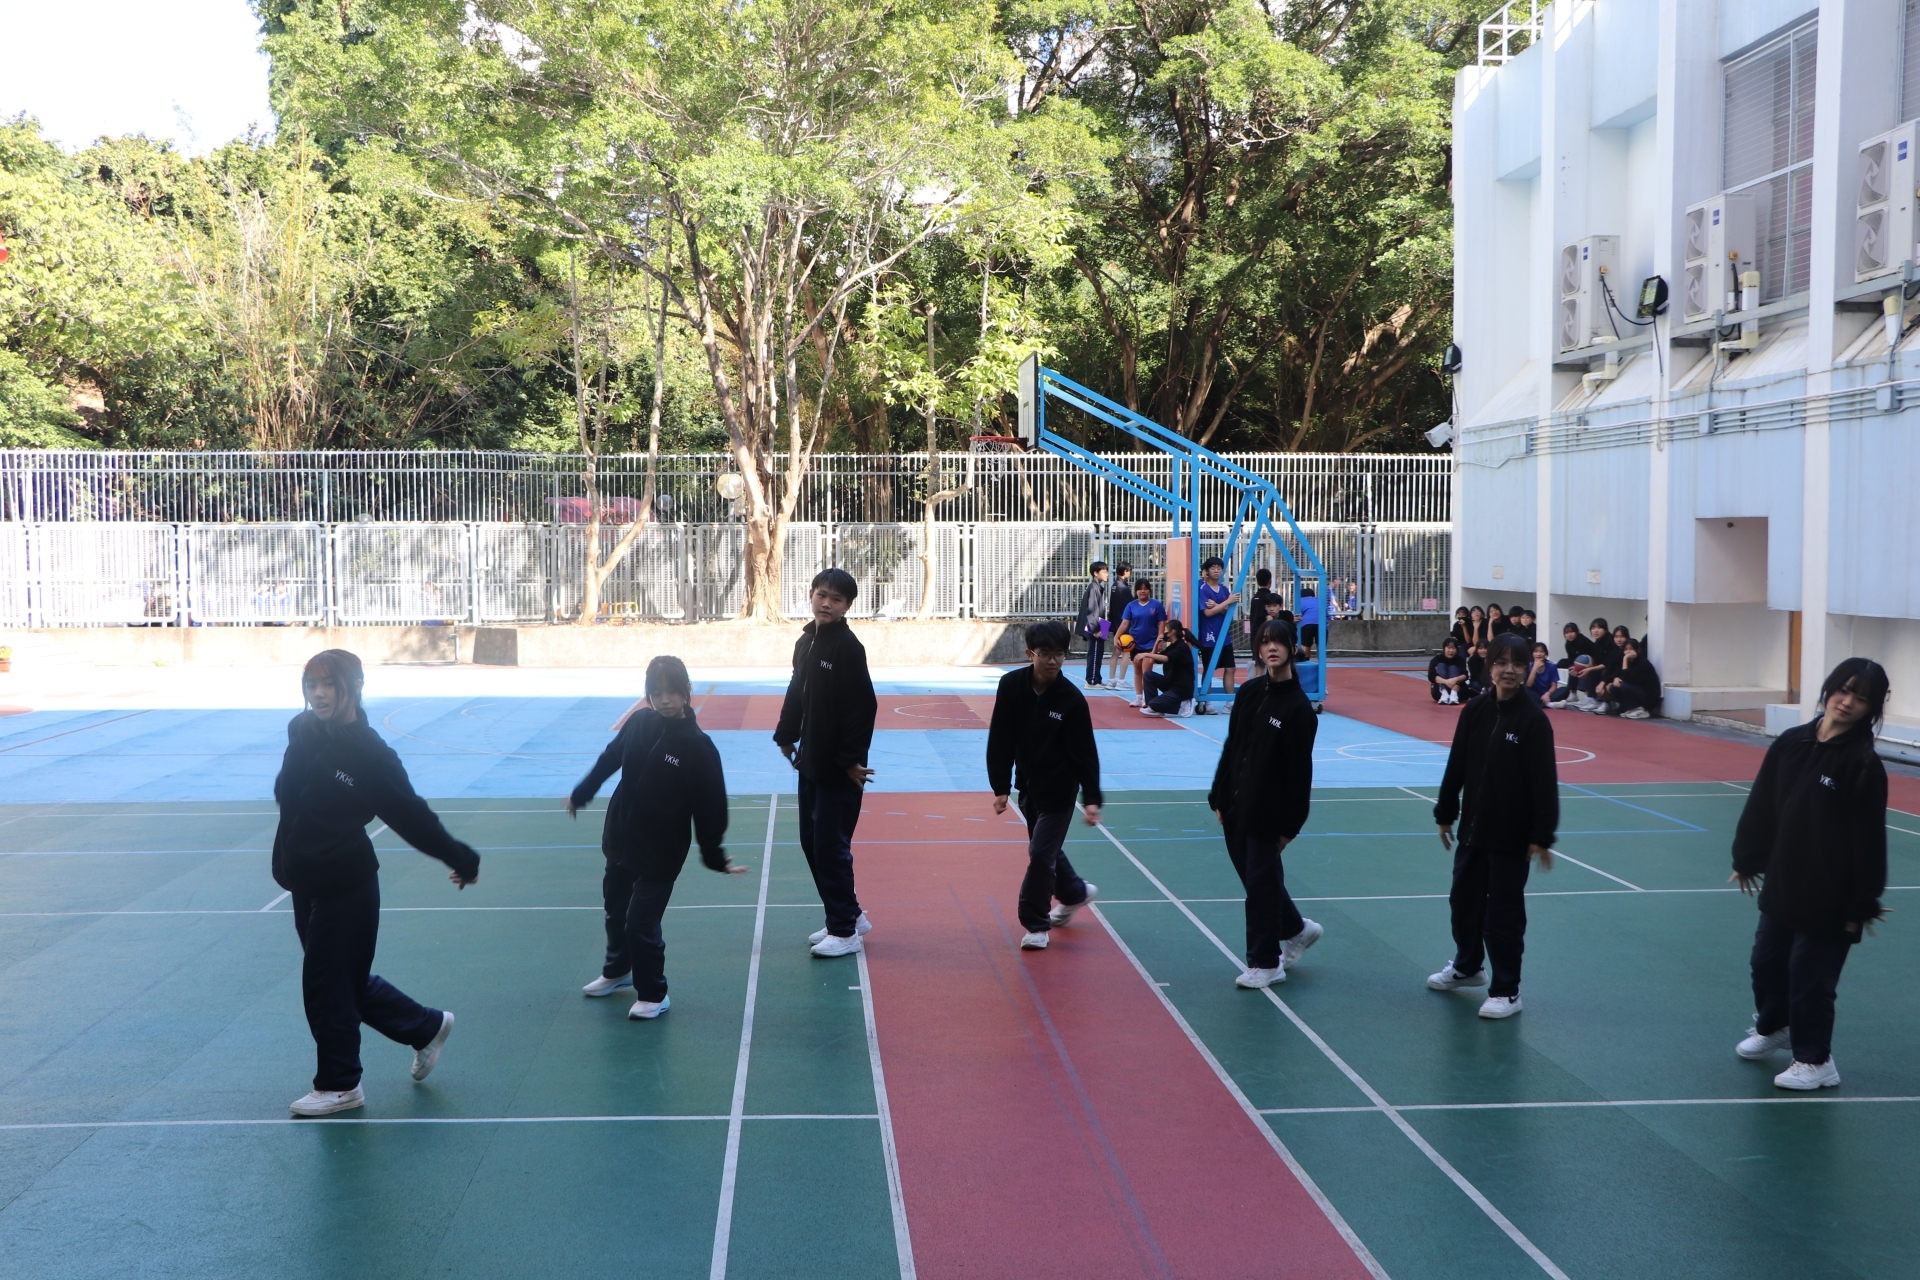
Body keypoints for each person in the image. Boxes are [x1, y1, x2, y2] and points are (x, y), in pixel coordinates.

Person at [272, 650, 480, 1118]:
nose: (319, 694)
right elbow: (290, 794)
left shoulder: (371, 754)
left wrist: (462, 859)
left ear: (354, 687)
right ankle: (424, 1027)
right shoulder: (301, 730)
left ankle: (340, 1084)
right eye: (312, 685)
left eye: (330, 684)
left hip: (347, 882)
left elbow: (412, 816)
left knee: (327, 984)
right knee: (340, 977)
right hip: (304, 878)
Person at [1730, 658, 1890, 1091]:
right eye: (1844, 690)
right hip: (1785, 881)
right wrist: (1747, 856)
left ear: (1872, 708)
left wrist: (1862, 902)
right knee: (1765, 963)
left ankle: (1816, 1061)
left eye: (1861, 698)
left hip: (1832, 895)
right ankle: (1777, 1025)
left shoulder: (1862, 765)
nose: (1848, 702)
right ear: (1829, 688)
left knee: (1810, 979)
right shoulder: (1792, 742)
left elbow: (1869, 839)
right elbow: (1763, 801)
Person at [569, 655, 743, 1020]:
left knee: (640, 923)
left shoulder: (698, 747)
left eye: (672, 692)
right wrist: (582, 792)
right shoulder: (639, 723)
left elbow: (710, 807)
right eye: (656, 692)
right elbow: (610, 758)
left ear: (686, 692)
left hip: (661, 853)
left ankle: (653, 994)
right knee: (615, 911)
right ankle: (618, 970)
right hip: (621, 839)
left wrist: (714, 854)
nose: (664, 700)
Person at [1427, 633, 1559, 1018]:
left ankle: (1507, 990)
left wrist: (1541, 835)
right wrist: (1445, 812)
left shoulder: (1533, 720)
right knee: (1463, 903)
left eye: (1517, 663)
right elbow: (1457, 764)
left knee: (1503, 916)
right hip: (1473, 831)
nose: (1509, 670)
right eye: (1502, 662)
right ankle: (1468, 966)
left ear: (1526, 667)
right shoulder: (1474, 711)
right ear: (1489, 666)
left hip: (1511, 839)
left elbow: (1544, 783)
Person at [1209, 619, 1322, 989]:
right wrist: (1219, 795)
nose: (1271, 648)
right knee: (1258, 880)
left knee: (1259, 887)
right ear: (1258, 649)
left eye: (1279, 642)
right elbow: (1233, 747)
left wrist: (1289, 828)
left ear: (1292, 648)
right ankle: (1296, 928)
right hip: (1235, 807)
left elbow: (1300, 775)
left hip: (1268, 816)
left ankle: (1266, 962)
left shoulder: (1298, 709)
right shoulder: (1249, 693)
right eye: (1265, 643)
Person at [774, 567, 879, 957]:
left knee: (830, 847)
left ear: (847, 606)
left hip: (840, 768)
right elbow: (796, 691)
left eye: (836, 599)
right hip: (812, 761)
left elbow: (863, 707)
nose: (827, 603)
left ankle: (844, 931)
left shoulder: (848, 648)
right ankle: (849, 913)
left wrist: (851, 760)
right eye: (822, 595)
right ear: (811, 595)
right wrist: (786, 734)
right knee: (811, 842)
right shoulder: (806, 643)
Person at [986, 620, 1103, 951]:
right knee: (1046, 851)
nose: (1053, 661)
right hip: (1028, 786)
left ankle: (1036, 923)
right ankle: (1074, 892)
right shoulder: (1012, 686)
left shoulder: (1071, 699)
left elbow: (1085, 753)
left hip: (1060, 791)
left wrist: (1091, 798)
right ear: (1030, 654)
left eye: (1059, 654)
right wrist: (1000, 786)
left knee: (1039, 852)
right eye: (1045, 654)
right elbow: (1001, 737)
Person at [1116, 579, 1169, 707]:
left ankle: (1147, 697)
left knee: (1147, 671)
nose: (1143, 591)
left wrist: (1159, 640)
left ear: (1149, 590)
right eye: (1140, 589)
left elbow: (1161, 623)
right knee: (1137, 669)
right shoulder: (1131, 606)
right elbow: (1125, 623)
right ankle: (1138, 697)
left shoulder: (1156, 605)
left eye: (1145, 588)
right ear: (1136, 591)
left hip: (1151, 643)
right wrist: (1116, 637)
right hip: (1135, 643)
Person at [1196, 555, 1240, 701]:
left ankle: (1229, 702)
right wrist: (1225, 603)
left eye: (1219, 568)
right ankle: (1206, 701)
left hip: (1224, 636)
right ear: (1207, 571)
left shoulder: (1224, 589)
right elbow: (1207, 613)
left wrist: (1217, 605)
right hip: (1209, 636)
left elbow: (1227, 612)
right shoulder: (1203, 589)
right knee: (1209, 669)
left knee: (1230, 668)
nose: (1216, 570)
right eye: (1213, 568)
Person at [1140, 619, 1196, 717]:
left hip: (1181, 689)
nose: (1164, 634)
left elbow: (1166, 658)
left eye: (1165, 631)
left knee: (1155, 703)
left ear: (1172, 632)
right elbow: (1152, 661)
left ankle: (1185, 702)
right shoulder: (1171, 647)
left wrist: (1146, 654)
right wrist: (1157, 643)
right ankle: (1154, 708)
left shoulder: (1182, 647)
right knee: (1148, 675)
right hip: (1170, 684)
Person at [1595, 637, 1661, 719]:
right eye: (1626, 649)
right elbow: (1619, 673)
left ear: (1638, 650)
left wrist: (1625, 659)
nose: (1628, 652)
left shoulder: (1643, 663)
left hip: (1649, 697)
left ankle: (1642, 710)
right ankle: (1631, 708)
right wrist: (1616, 678)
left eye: (1631, 649)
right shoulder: (1629, 662)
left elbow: (1627, 679)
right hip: (1639, 692)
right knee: (1613, 687)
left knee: (1622, 685)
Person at [1076, 561, 1112, 688]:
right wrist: (1096, 629)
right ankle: (1091, 681)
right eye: (1104, 572)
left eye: (1107, 571)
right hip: (1094, 626)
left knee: (1098, 653)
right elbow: (1091, 610)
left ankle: (1096, 679)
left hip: (1099, 625)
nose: (1107, 574)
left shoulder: (1097, 587)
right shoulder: (1093, 588)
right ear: (1096, 573)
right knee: (1094, 653)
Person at [1105, 562, 1135, 687]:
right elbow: (1131, 605)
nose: (1130, 573)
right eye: (1129, 571)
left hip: (1115, 623)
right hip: (1124, 624)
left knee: (1116, 652)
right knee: (1126, 652)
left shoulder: (1114, 586)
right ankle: (1121, 681)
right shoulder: (1124, 588)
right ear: (1126, 571)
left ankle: (1111, 679)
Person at [1429, 638, 1469, 704]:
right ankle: (1444, 693)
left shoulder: (1460, 660)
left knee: (1453, 668)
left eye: (1453, 648)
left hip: (1457, 689)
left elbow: (1465, 675)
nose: (1451, 650)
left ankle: (1453, 694)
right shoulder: (1437, 659)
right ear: (1444, 648)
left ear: (1457, 649)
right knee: (1441, 665)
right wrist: (1446, 682)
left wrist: (1454, 680)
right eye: (1448, 648)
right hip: (1439, 691)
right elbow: (1431, 676)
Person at [1524, 641, 1558, 706]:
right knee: (1525, 690)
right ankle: (1548, 704)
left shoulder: (1552, 665)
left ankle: (1541, 703)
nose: (1538, 654)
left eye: (1541, 651)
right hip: (1534, 693)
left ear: (1545, 653)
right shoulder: (1529, 665)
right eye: (1535, 651)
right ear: (1532, 653)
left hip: (1548, 693)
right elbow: (1528, 685)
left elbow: (1554, 686)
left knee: (1565, 690)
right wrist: (1535, 667)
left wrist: (1547, 694)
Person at [1297, 584, 1322, 658]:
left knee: (1306, 644)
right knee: (1320, 644)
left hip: (1306, 623)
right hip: (1321, 624)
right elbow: (1326, 614)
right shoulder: (1319, 600)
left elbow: (1298, 613)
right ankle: (1321, 660)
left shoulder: (1300, 600)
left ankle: (1305, 658)